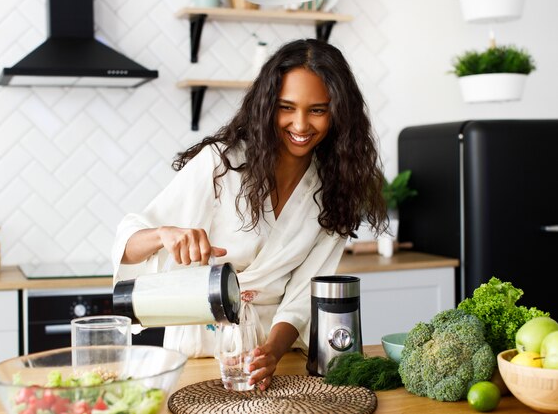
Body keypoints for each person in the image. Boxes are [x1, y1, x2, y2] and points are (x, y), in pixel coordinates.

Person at [111, 38, 387, 390]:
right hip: (198, 351)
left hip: (274, 359)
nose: (301, 125)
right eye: (287, 107)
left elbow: (305, 294)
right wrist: (164, 234)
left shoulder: (335, 189)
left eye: (318, 110)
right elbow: (130, 241)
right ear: (267, 105)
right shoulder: (221, 164)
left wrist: (270, 353)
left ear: (339, 114)